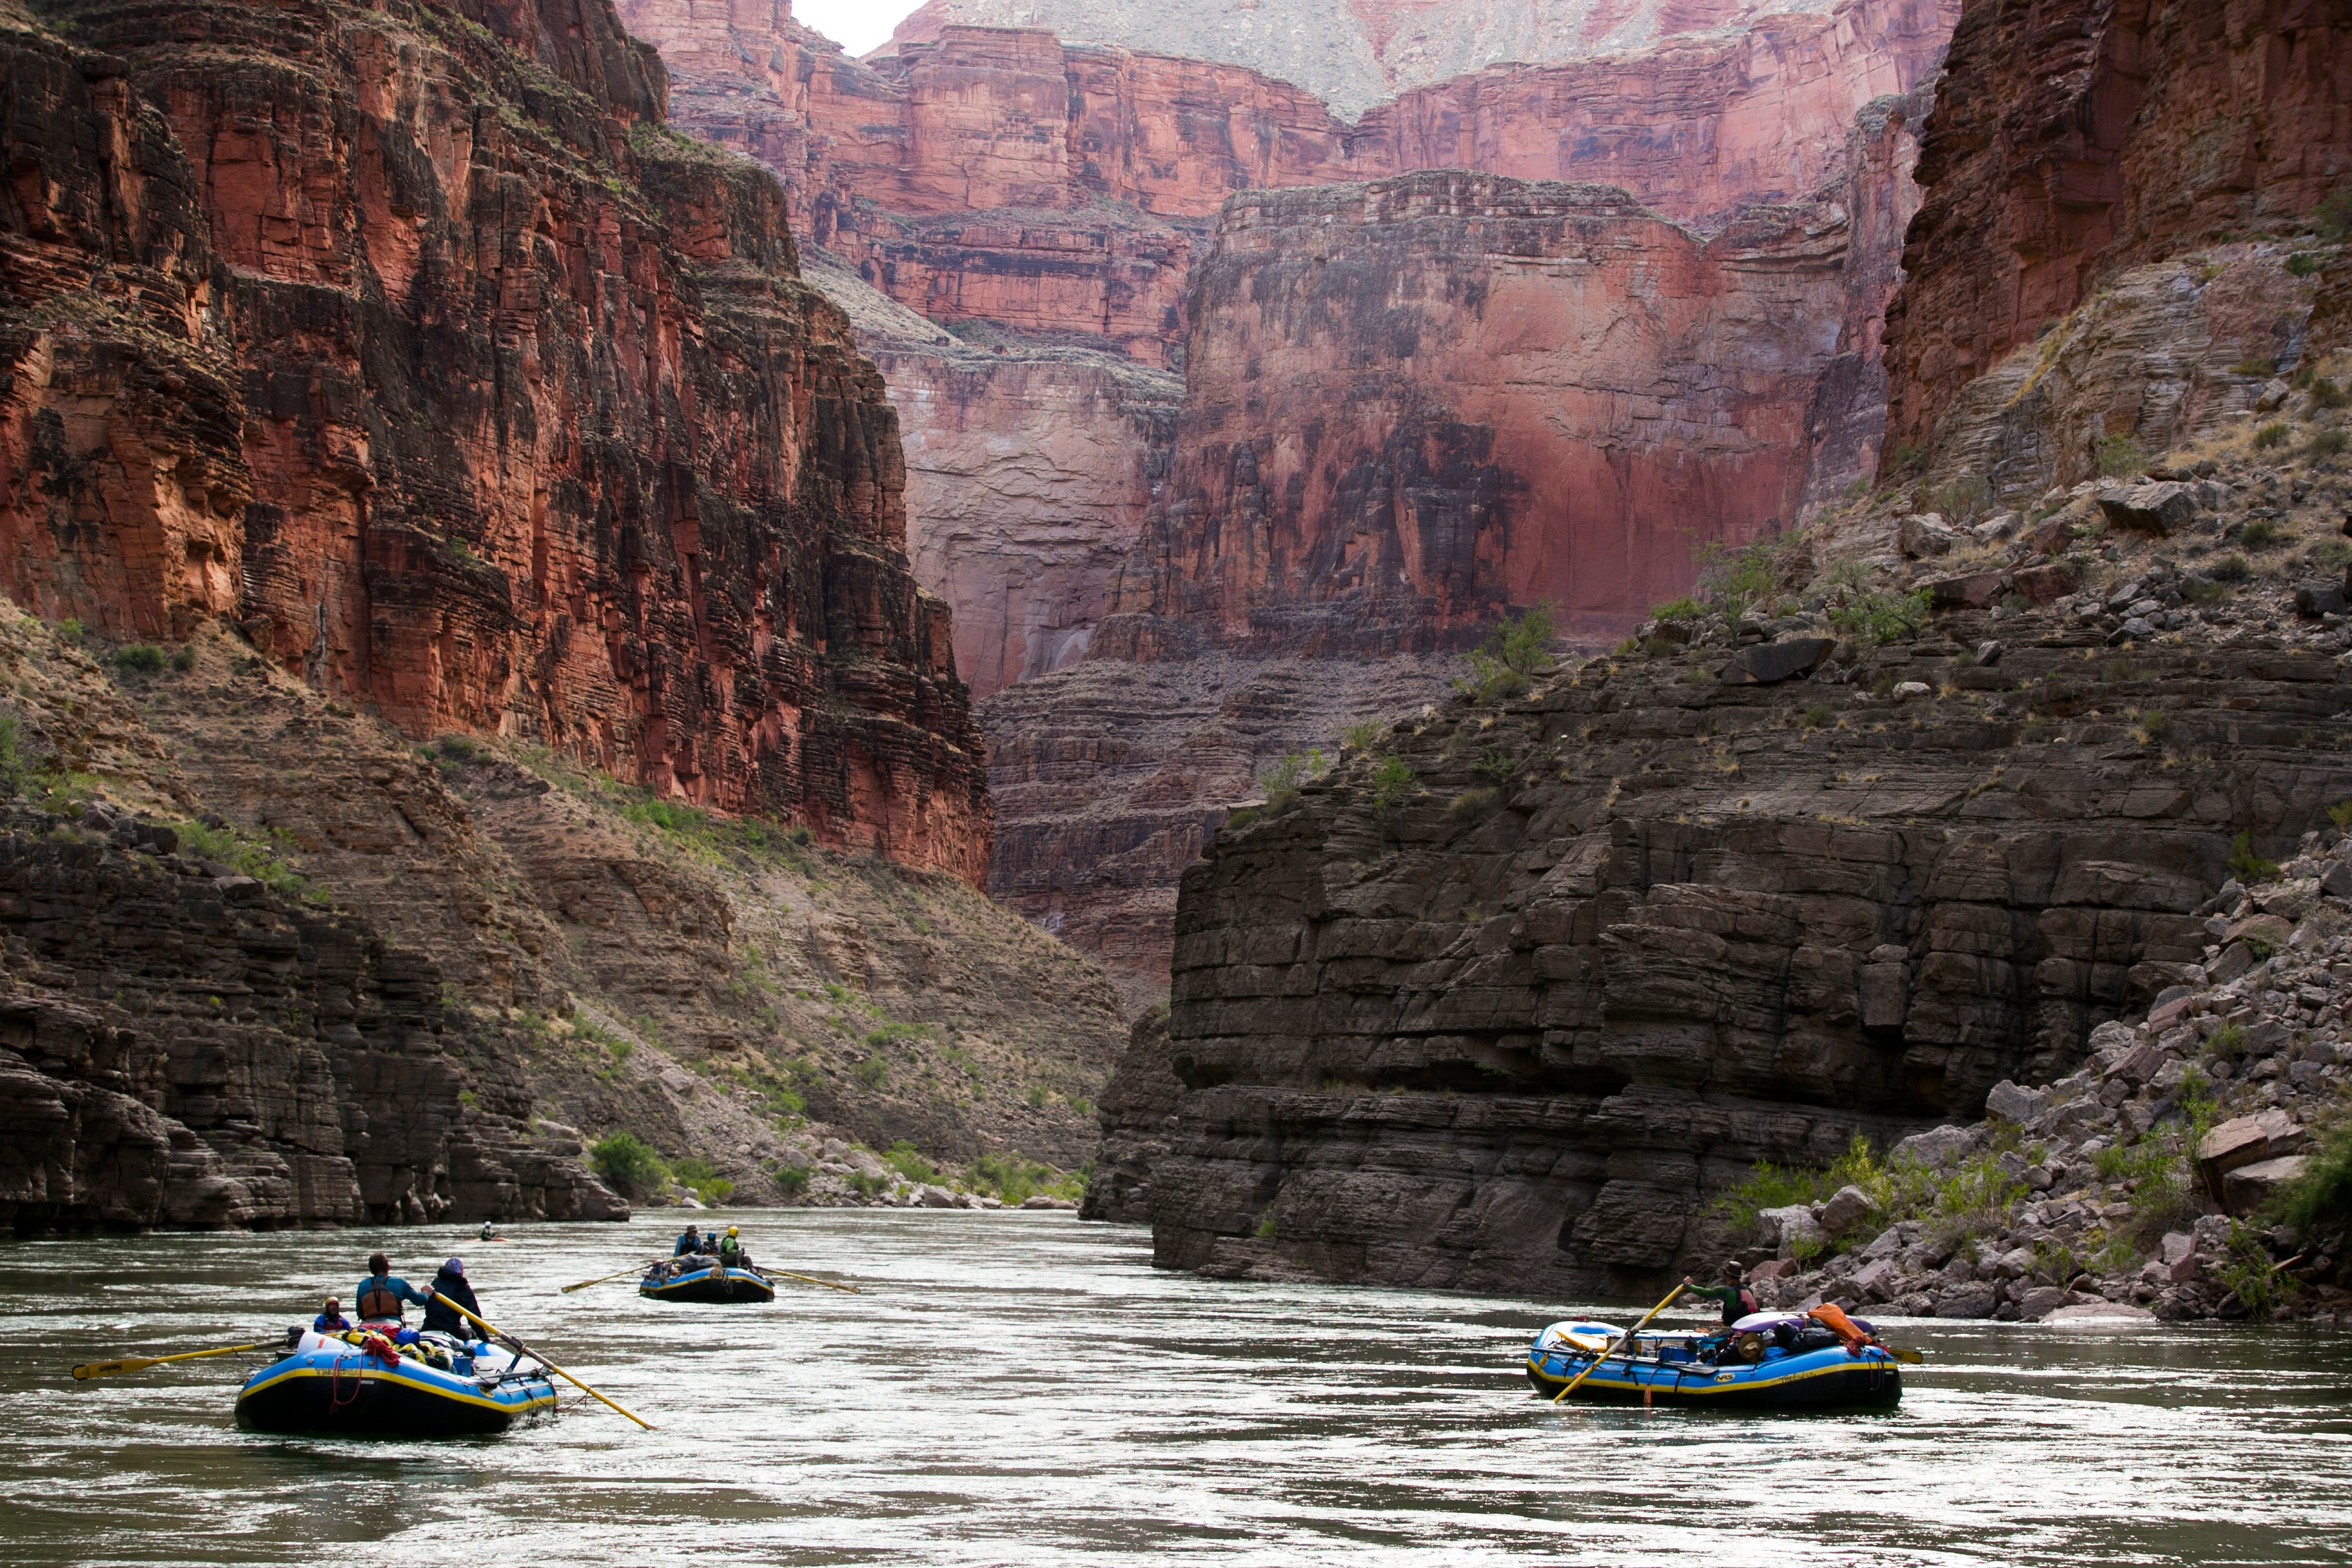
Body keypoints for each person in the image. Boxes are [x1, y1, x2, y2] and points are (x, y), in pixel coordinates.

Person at [354, 1253, 435, 1324]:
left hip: (368, 1325)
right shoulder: (399, 1282)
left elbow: (360, 1313)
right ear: (388, 1267)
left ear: (371, 1270)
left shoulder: (363, 1284)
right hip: (393, 1325)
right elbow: (419, 1301)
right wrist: (426, 1293)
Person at [1682, 1261, 1761, 1326]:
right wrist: (1723, 1322)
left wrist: (1689, 1285)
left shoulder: (1726, 1290)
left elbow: (1705, 1293)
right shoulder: (1748, 1289)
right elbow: (1741, 1314)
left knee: (1712, 1336)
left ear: (1727, 1275)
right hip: (1752, 1326)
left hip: (1740, 1329)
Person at [420, 1258, 481, 1338]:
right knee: (471, 1333)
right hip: (452, 1332)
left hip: (428, 1329)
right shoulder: (462, 1287)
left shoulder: (434, 1284)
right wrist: (485, 1339)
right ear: (461, 1271)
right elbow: (475, 1318)